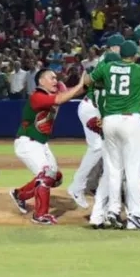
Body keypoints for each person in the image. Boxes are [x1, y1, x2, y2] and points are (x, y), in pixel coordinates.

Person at [89, 40, 140, 230]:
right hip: (130, 120)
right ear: (134, 55)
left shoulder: (108, 67)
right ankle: (136, 215)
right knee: (133, 170)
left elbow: (89, 80)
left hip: (110, 121)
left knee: (114, 170)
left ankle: (113, 210)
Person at [9, 68, 88, 224]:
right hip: (27, 142)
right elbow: (60, 100)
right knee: (46, 175)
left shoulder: (50, 95)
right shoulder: (36, 96)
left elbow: (71, 94)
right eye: (51, 78)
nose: (55, 81)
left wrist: (86, 83)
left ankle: (20, 194)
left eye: (56, 78)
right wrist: (80, 83)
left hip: (41, 144)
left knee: (56, 178)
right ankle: (40, 215)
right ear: (41, 81)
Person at [69, 51, 120, 228]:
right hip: (92, 110)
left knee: (104, 149)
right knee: (98, 147)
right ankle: (77, 186)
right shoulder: (103, 70)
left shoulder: (100, 68)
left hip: (94, 109)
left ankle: (89, 189)